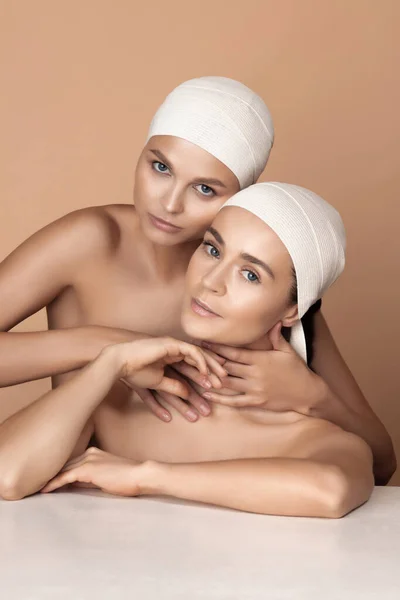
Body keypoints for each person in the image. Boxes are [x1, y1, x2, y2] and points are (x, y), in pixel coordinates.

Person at [0, 77, 395, 483]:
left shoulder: (267, 289)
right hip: (60, 478)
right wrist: (104, 345)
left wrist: (314, 398)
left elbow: (380, 464)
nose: (169, 204)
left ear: (243, 198)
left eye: (205, 189)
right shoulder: (89, 240)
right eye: (160, 167)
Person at [0, 183, 374, 518]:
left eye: (250, 275)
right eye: (212, 249)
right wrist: (111, 361)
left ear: (294, 309)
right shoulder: (128, 396)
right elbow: (8, 474)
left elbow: (330, 491)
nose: (210, 281)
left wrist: (146, 477)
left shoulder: (311, 436)